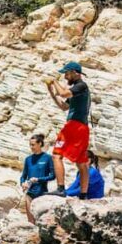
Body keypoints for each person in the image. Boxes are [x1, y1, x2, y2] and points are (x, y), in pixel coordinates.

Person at [44, 61, 91, 199]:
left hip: (73, 126)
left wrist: (54, 81)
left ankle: (60, 189)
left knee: (57, 155)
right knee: (81, 162)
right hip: (83, 128)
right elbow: (64, 106)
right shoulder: (80, 89)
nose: (65, 76)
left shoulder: (80, 86)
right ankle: (84, 194)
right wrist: (51, 92)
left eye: (67, 73)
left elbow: (64, 93)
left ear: (75, 73)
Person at [19, 133, 55, 224]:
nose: (31, 147)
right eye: (30, 145)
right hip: (29, 194)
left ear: (40, 144)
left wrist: (38, 179)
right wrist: (22, 183)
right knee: (30, 221)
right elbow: (23, 176)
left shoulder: (47, 158)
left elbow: (53, 176)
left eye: (33, 144)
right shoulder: (28, 159)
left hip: (42, 194)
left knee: (40, 222)